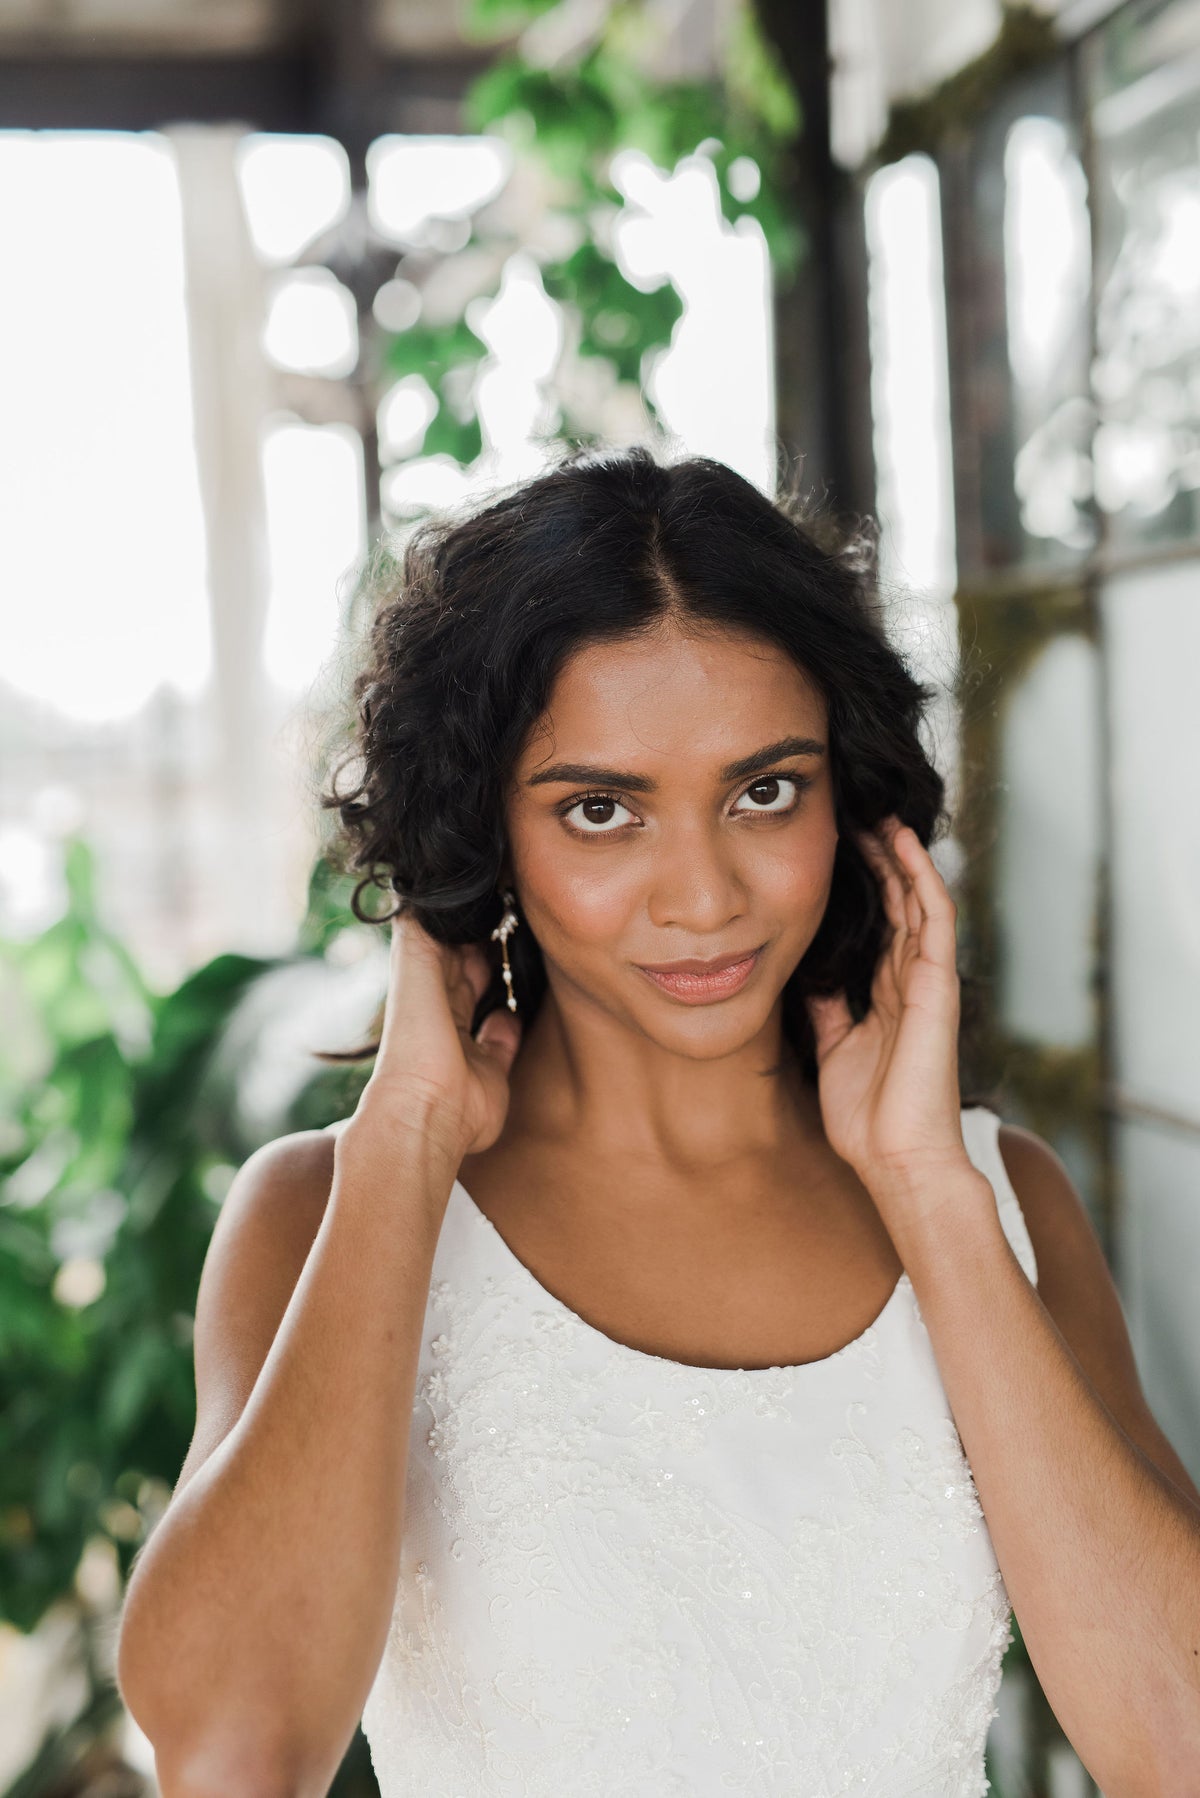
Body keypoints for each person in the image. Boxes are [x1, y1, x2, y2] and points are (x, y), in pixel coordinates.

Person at [115, 444, 1200, 1798]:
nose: (702, 894)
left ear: (853, 805)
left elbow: (1182, 1740)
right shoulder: (319, 1217)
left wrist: (926, 1188)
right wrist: (405, 1144)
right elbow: (232, 1747)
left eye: (764, 790)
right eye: (602, 810)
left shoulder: (999, 1199)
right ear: (484, 831)